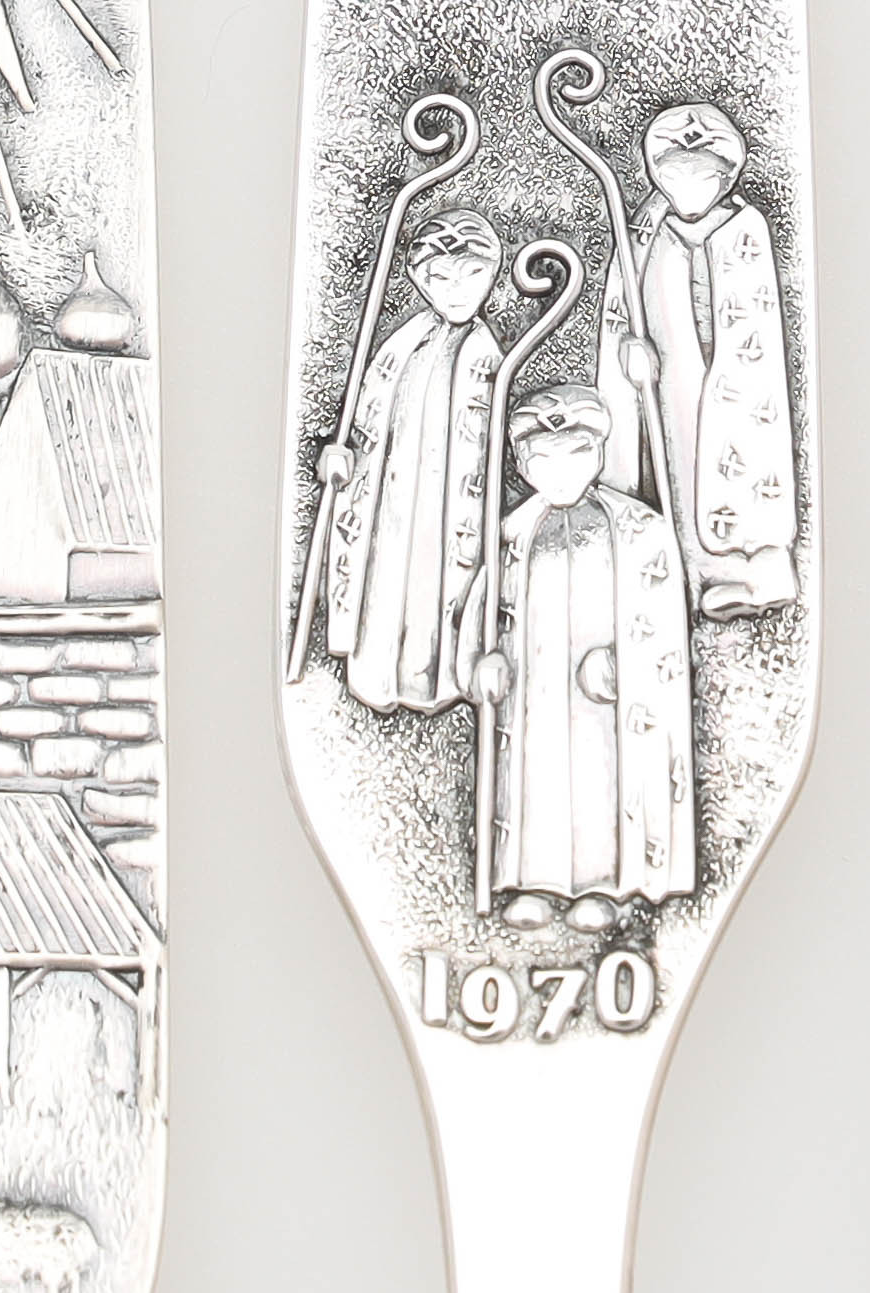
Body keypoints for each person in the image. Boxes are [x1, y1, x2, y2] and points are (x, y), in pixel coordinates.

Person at [472, 386, 694, 930]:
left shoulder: (639, 530)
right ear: (522, 464)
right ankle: (534, 881)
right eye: (543, 460)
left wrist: (626, 665)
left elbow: (663, 616)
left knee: (598, 782)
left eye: (575, 455)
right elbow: (481, 604)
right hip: (536, 693)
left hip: (603, 703)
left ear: (597, 454)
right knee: (536, 779)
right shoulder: (512, 533)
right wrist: (480, 660)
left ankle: (605, 884)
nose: (560, 473)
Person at [595, 102, 798, 618]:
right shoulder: (642, 231)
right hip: (667, 378)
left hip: (731, 377)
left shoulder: (745, 227)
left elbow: (756, 314)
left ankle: (749, 573)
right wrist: (628, 355)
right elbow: (622, 306)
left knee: (734, 459)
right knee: (679, 460)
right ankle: (687, 573)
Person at [321, 210, 502, 712]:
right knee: (386, 574)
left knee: (436, 581)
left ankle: (435, 680)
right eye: (441, 278)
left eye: (472, 274)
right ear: (421, 282)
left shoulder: (484, 353)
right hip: (393, 493)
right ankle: (376, 672)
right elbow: (370, 419)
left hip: (447, 498)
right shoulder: (401, 346)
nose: (457, 290)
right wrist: (343, 458)